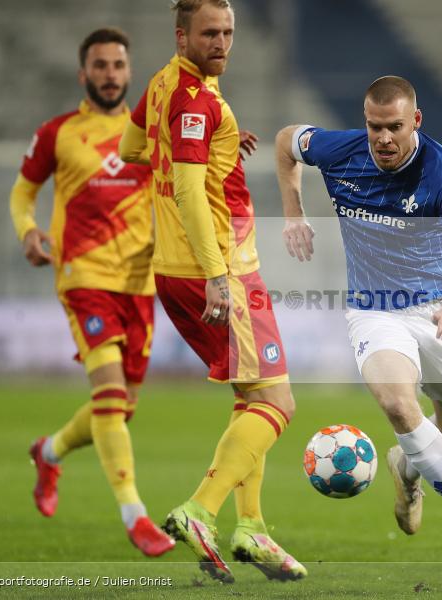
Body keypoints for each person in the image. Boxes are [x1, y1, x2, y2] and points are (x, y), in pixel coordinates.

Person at [274, 75, 442, 564]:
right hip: (373, 309)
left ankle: (407, 465)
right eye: (375, 127)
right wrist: (293, 212)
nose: (384, 139)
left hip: (437, 311)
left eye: (394, 126)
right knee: (399, 406)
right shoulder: (339, 151)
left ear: (414, 120)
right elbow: (285, 141)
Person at [118, 0, 305, 584]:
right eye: (209, 33)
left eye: (228, 31)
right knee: (278, 404)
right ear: (181, 35)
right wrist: (218, 274)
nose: (221, 42)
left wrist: (209, 152)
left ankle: (252, 528)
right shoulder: (196, 99)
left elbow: (131, 150)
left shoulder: (163, 85)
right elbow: (190, 193)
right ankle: (202, 509)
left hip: (177, 268)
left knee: (251, 398)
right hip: (219, 267)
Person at [9, 27, 174, 557]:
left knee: (119, 408)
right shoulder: (58, 132)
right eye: (99, 66)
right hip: (84, 278)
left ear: (128, 72)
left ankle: (50, 451)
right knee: (107, 396)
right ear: (84, 74)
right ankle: (136, 515)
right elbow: (23, 191)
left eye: (117, 65)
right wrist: (28, 231)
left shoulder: (150, 133)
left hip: (140, 282)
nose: (109, 74)